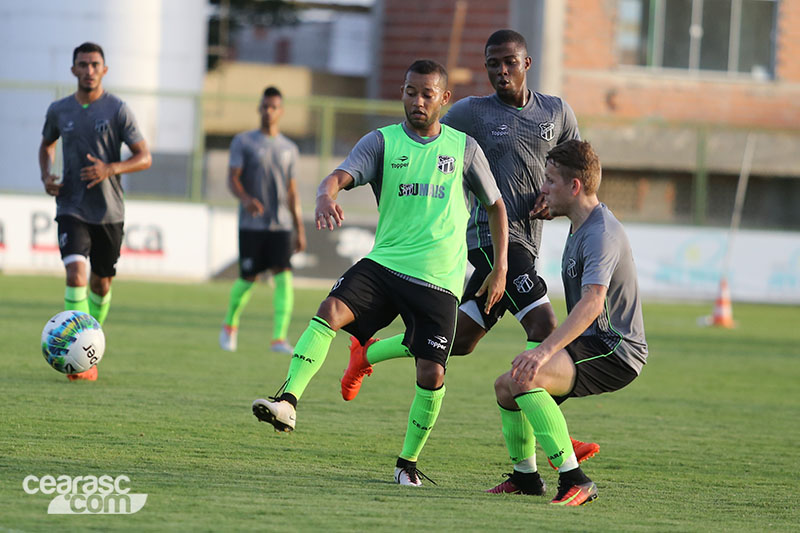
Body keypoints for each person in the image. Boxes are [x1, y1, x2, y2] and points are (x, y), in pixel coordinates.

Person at [339, 29, 599, 469]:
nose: (501, 71)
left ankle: (367, 353)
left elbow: (574, 162)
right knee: (544, 327)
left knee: (457, 341)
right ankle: (555, 438)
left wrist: (552, 197)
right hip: (491, 242)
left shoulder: (556, 112)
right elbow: (423, 134)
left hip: (527, 243)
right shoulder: (472, 113)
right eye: (492, 64)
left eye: (509, 62)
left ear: (527, 64)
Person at [251, 59, 509, 486]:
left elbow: (496, 205)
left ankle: (406, 463)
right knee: (331, 309)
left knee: (432, 373)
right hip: (386, 264)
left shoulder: (464, 149)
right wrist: (322, 194)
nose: (418, 101)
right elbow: (338, 176)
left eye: (428, 94)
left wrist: (499, 268)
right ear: (402, 93)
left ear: (445, 99)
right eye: (411, 91)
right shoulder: (383, 143)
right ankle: (288, 400)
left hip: (440, 281)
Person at [489, 139, 647, 505]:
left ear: (574, 186)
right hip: (592, 342)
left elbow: (593, 303)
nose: (542, 188)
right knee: (505, 388)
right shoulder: (581, 223)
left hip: (616, 351)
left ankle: (575, 480)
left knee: (526, 377)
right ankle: (525, 477)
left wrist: (543, 352)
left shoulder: (601, 234)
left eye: (550, 181)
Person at [38, 42, 152, 381]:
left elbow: (144, 157)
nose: (88, 70)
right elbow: (46, 145)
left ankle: (91, 339)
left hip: (109, 212)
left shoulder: (117, 109)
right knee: (76, 274)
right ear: (73, 70)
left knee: (101, 284)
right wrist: (46, 175)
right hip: (71, 205)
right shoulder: (59, 110)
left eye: (95, 64)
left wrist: (110, 168)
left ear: (104, 70)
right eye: (83, 64)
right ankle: (82, 359)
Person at [219, 86, 305, 354]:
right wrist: (246, 199)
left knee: (284, 278)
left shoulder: (290, 148)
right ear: (259, 108)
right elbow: (232, 178)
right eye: (265, 106)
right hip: (251, 224)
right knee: (248, 278)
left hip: (281, 225)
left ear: (281, 112)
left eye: (274, 107)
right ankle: (230, 325)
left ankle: (278, 338)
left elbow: (292, 190)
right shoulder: (243, 142)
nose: (269, 111)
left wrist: (299, 228)